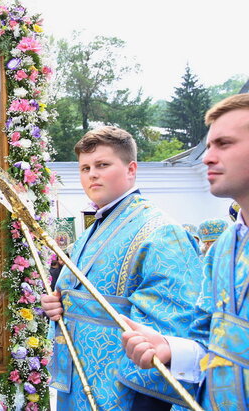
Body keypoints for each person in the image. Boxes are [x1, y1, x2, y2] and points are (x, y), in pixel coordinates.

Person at [40, 126, 204, 410]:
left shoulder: (161, 232)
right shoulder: (95, 229)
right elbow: (74, 293)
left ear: (131, 169)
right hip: (82, 379)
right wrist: (58, 304)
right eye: (85, 167)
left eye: (102, 165)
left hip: (120, 391)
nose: (92, 174)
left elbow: (172, 327)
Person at [121, 93, 249, 409]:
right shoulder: (222, 250)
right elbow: (210, 344)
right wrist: (171, 348)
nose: (207, 157)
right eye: (208, 147)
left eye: (224, 144)